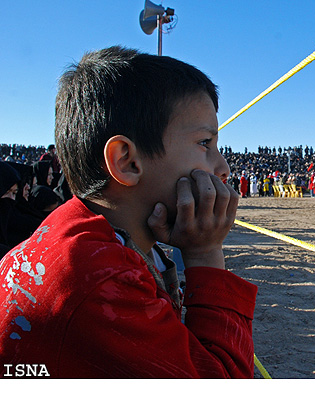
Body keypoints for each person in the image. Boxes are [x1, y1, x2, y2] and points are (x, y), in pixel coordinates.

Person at [0, 46, 257, 378]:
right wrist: (205, 253)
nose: (222, 167)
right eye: (205, 143)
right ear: (127, 161)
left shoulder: (75, 233)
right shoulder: (99, 277)